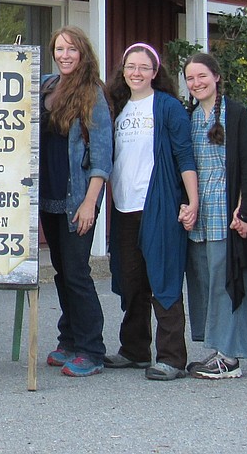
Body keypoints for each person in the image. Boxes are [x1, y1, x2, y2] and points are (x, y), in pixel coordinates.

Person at [106, 42, 199, 381]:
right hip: (124, 206)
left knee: (164, 278)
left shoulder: (168, 107)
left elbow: (185, 156)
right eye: (131, 66)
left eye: (144, 67)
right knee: (131, 281)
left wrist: (192, 201)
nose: (136, 73)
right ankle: (134, 350)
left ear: (155, 72)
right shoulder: (117, 106)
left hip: (157, 205)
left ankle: (172, 357)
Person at [40, 26, 112, 378]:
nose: (65, 55)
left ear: (83, 53)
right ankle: (68, 339)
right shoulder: (46, 85)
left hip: (77, 197)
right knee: (62, 271)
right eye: (59, 48)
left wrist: (90, 202)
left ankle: (91, 349)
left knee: (78, 272)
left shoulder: (93, 93)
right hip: (48, 195)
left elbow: (101, 155)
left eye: (71, 49)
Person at [182, 53, 247, 380]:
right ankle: (215, 347)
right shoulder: (189, 117)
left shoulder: (236, 114)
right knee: (203, 280)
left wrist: (245, 211)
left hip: (225, 208)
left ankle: (229, 357)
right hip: (198, 210)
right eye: (190, 78)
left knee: (227, 280)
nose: (197, 83)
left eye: (202, 76)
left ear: (216, 76)